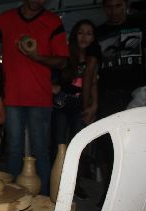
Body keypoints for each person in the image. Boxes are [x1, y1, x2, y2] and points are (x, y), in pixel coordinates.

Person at [0, 0, 69, 195]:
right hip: (11, 97)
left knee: (40, 151)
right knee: (13, 149)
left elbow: (62, 61)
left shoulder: (53, 21)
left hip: (40, 98)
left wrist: (36, 57)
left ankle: (42, 197)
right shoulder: (4, 19)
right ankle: (10, 197)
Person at [96, 0, 146, 204]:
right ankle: (110, 194)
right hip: (108, 96)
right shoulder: (99, 32)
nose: (113, 11)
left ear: (125, 5)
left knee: (136, 146)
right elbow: (92, 68)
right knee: (110, 146)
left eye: (118, 5)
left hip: (138, 93)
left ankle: (135, 195)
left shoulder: (141, 26)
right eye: (109, 6)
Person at [50, 19, 101, 199]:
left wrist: (93, 105)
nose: (84, 37)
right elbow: (53, 79)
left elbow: (94, 83)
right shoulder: (65, 54)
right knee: (59, 144)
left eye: (89, 33)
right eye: (81, 32)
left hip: (81, 105)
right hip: (62, 104)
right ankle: (56, 181)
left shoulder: (94, 58)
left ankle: (74, 184)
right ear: (74, 35)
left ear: (94, 37)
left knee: (78, 146)